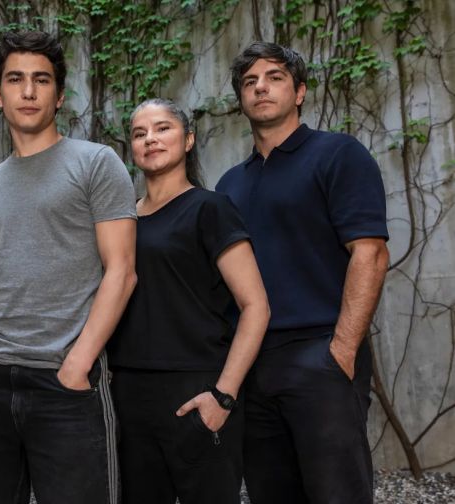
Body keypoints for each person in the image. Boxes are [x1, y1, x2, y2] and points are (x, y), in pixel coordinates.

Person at [0, 31, 137, 504]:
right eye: (15, 79)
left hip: (64, 381)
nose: (29, 91)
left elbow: (121, 271)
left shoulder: (96, 163)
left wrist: (79, 363)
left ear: (59, 95)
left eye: (42, 79)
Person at [215, 42, 389, 504]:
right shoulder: (230, 184)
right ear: (240, 99)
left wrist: (341, 352)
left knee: (337, 494)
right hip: (253, 362)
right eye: (249, 82)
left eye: (274, 77)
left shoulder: (338, 154)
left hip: (320, 353)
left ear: (300, 92)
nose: (260, 88)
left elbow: (370, 253)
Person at [108, 99, 269, 503]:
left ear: (189, 140)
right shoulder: (121, 221)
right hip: (129, 393)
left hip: (198, 388)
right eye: (140, 133)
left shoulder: (211, 208)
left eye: (162, 128)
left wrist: (223, 396)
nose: (150, 139)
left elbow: (256, 307)